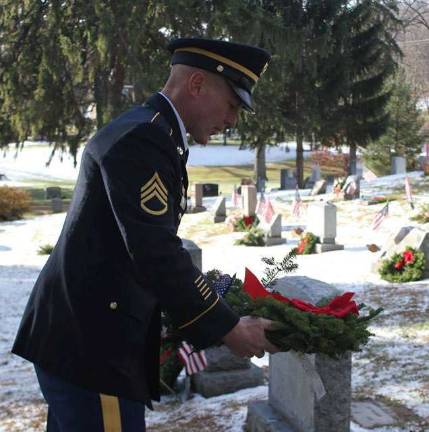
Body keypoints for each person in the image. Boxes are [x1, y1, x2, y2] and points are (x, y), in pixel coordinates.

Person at [12, 37, 278, 431]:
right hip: (94, 348)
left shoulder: (154, 131)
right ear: (198, 85)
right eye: (232, 105)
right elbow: (154, 250)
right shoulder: (145, 138)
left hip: (83, 338)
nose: (232, 120)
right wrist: (227, 327)